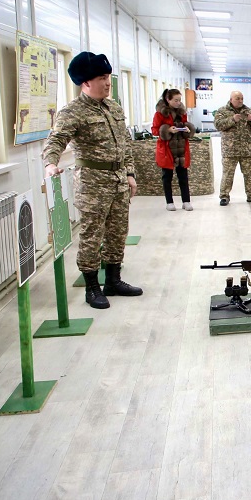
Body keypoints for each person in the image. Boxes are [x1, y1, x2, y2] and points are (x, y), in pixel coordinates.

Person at [42, 51, 142, 309]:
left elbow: (125, 145)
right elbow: (55, 141)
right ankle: (92, 287)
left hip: (119, 181)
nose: (108, 82)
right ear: (85, 82)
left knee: (118, 233)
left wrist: (130, 173)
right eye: (101, 78)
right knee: (91, 236)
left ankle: (113, 280)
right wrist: (51, 163)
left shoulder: (114, 107)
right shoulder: (72, 112)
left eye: (108, 77)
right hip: (92, 185)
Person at [214, 91, 251, 206]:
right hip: (230, 150)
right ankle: (224, 196)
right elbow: (218, 125)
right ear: (231, 99)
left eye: (242, 98)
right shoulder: (223, 111)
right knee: (228, 174)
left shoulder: (248, 111)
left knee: (250, 174)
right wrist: (232, 120)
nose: (240, 101)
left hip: (247, 149)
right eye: (237, 98)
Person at [152, 88, 195, 211]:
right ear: (168, 99)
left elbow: (186, 123)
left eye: (179, 100)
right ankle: (169, 202)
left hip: (181, 148)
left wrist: (187, 129)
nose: (178, 103)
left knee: (183, 176)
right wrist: (167, 130)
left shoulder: (182, 112)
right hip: (167, 149)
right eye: (175, 100)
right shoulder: (160, 114)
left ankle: (186, 201)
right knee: (167, 176)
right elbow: (154, 130)